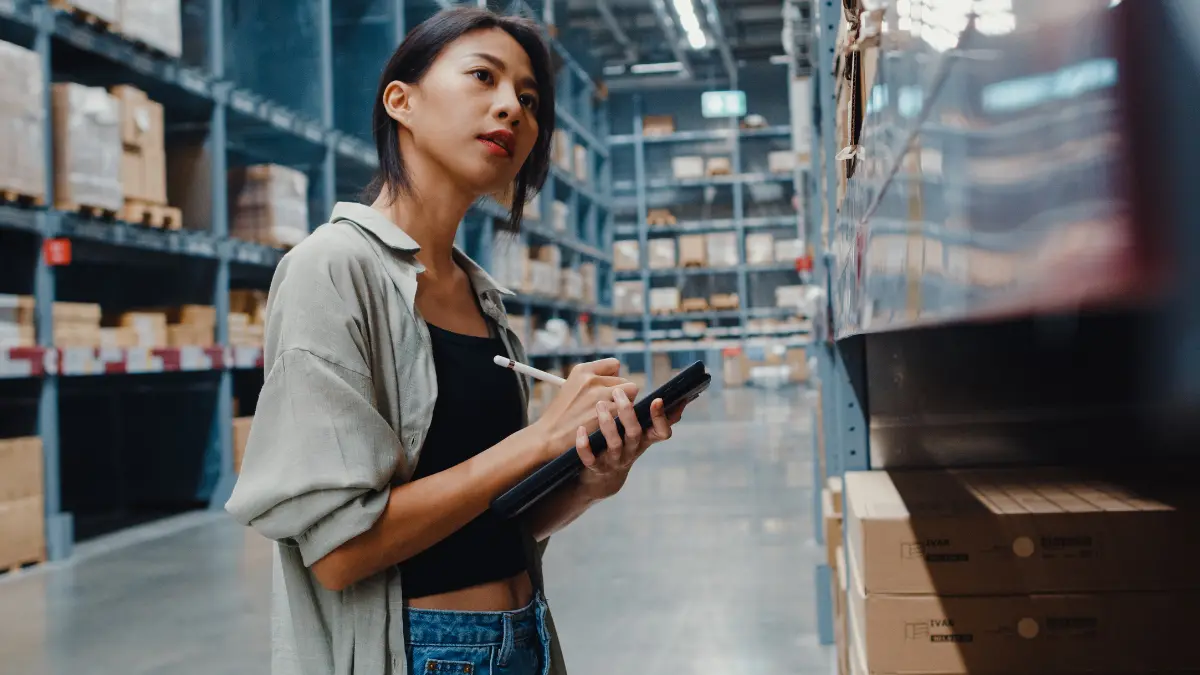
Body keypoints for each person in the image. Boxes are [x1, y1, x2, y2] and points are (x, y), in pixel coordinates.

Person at [225, 7, 686, 675]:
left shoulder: (481, 296)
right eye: (483, 77)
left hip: (525, 637)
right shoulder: (331, 269)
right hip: (424, 651)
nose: (512, 109)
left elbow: (499, 517)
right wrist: (540, 437)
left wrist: (590, 478)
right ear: (401, 101)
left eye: (529, 100)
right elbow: (340, 553)